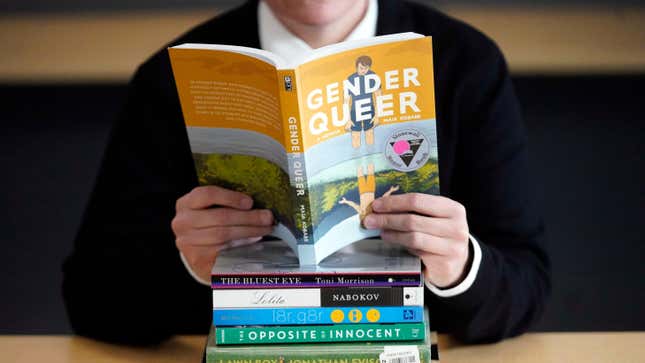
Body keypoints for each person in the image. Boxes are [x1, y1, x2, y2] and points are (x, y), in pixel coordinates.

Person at [63, 0, 550, 346]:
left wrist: (458, 264)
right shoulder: (171, 78)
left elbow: (527, 285)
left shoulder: (465, 64)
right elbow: (90, 299)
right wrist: (191, 266)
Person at [344, 55, 381, 148]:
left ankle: (371, 161)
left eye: (366, 68)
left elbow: (378, 96)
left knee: (369, 133)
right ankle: (357, 162)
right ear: (357, 66)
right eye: (361, 68)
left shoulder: (373, 77)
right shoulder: (350, 79)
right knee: (355, 136)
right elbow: (346, 101)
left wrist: (377, 115)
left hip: (369, 109)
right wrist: (347, 119)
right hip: (354, 111)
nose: (364, 70)